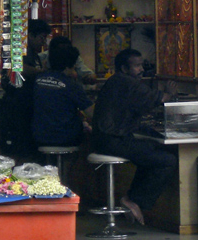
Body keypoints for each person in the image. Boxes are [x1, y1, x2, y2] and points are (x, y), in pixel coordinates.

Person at [90, 48, 178, 225]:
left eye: (141, 66)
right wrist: (169, 92)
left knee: (150, 154)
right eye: (137, 66)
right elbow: (159, 98)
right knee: (166, 160)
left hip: (105, 139)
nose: (141, 70)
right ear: (124, 68)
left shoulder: (116, 81)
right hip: (113, 140)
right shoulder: (126, 82)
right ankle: (134, 201)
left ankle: (132, 199)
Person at [0, 19, 51, 161]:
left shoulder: (34, 54)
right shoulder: (19, 52)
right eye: (42, 37)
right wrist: (40, 71)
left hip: (27, 107)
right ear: (30, 36)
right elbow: (17, 68)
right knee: (17, 152)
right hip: (15, 107)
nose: (44, 42)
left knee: (28, 150)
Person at [32, 44, 94, 148]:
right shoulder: (72, 85)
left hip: (38, 136)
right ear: (68, 66)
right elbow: (91, 113)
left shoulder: (37, 79)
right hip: (65, 137)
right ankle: (69, 164)